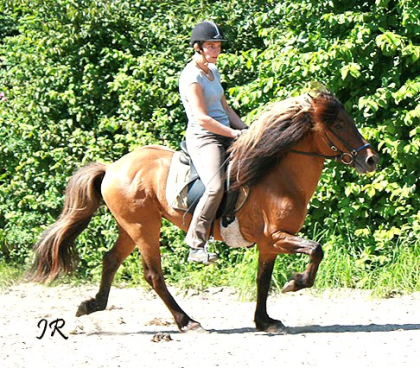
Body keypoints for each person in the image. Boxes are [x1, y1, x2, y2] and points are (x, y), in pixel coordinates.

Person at [179, 21, 248, 264]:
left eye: (218, 46)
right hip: (204, 137)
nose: (216, 51)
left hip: (227, 131)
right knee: (215, 187)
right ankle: (196, 245)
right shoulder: (192, 77)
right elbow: (203, 118)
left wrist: (246, 129)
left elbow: (224, 106)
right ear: (197, 47)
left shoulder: (212, 71)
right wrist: (233, 134)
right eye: (211, 46)